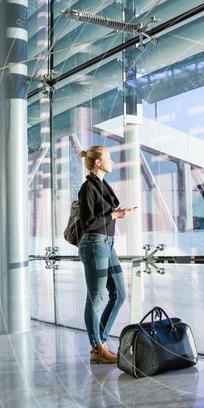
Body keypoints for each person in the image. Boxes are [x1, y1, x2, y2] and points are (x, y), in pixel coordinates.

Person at [77, 146, 137, 365]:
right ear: (98, 163)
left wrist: (118, 214)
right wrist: (113, 214)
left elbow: (105, 214)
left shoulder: (102, 186)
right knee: (97, 296)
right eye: (109, 158)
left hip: (107, 244)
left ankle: (101, 341)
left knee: (119, 294)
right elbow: (87, 223)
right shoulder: (87, 188)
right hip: (94, 243)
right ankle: (97, 347)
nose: (112, 162)